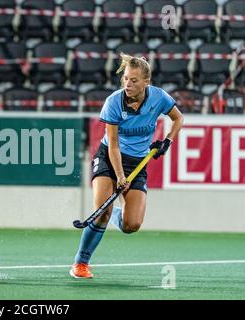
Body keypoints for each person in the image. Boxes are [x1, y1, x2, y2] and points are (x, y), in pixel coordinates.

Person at [70, 54, 184, 279]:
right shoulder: (113, 102)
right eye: (125, 79)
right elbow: (112, 145)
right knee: (102, 211)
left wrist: (167, 141)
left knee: (132, 225)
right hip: (110, 158)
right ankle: (81, 263)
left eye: (133, 80)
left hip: (138, 162)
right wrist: (120, 177)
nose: (128, 84)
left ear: (146, 83)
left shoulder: (158, 98)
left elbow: (178, 118)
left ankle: (115, 213)